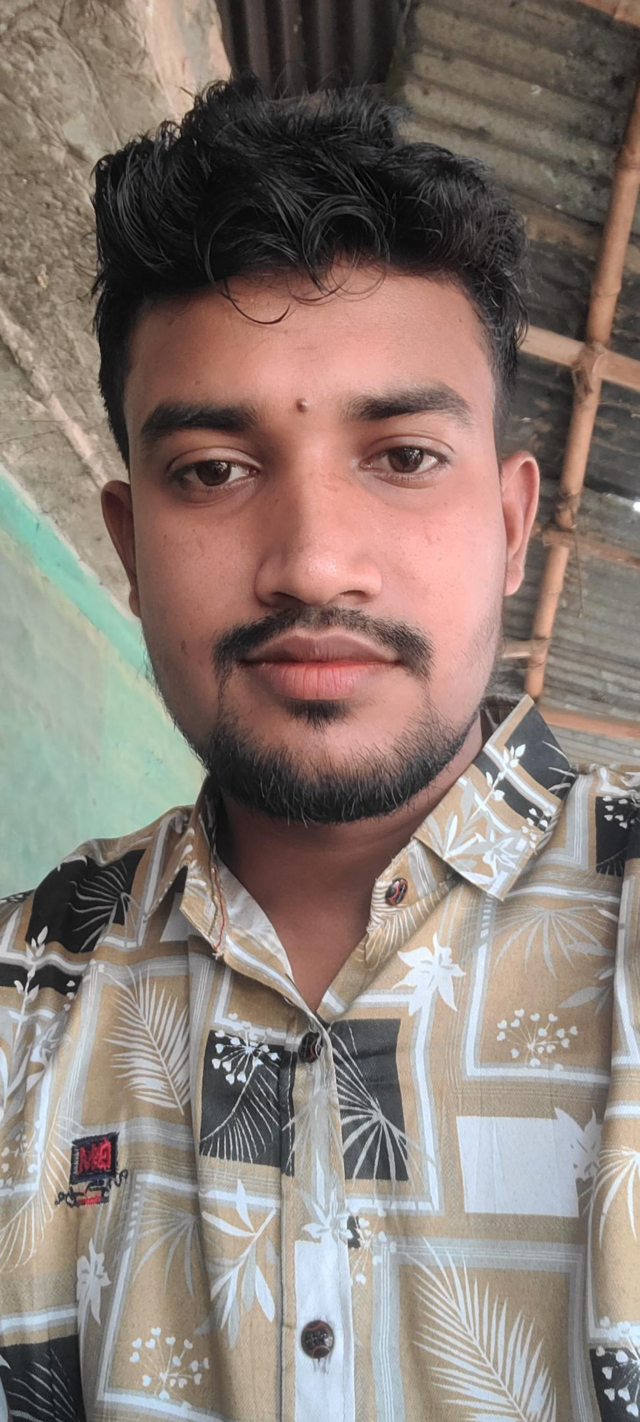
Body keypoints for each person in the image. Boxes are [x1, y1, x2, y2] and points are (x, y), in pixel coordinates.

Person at [0, 74, 637, 1422]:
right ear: (128, 544)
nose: (312, 562)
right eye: (212, 471)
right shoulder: (23, 1003)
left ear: (511, 527)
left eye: (401, 456)